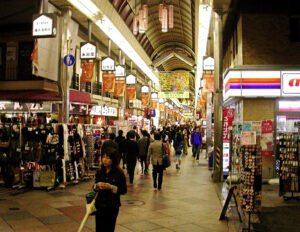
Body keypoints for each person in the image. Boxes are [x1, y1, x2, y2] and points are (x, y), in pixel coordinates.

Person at [93, 148, 127, 232]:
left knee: (109, 228)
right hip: (99, 205)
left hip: (112, 206)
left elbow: (123, 190)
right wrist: (97, 185)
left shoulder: (119, 173)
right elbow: (94, 187)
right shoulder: (100, 172)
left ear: (113, 160)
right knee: (99, 228)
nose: (104, 160)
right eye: (103, 157)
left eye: (108, 158)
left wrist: (111, 187)